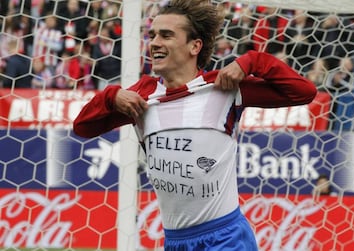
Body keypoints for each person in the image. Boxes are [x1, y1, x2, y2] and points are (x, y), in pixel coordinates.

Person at [73, 0, 317, 250]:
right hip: (175, 241)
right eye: (153, 35)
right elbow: (83, 127)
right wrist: (111, 96)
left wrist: (253, 61)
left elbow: (303, 92)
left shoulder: (223, 88)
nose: (155, 42)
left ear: (195, 46)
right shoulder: (142, 96)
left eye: (166, 35)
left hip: (225, 238)